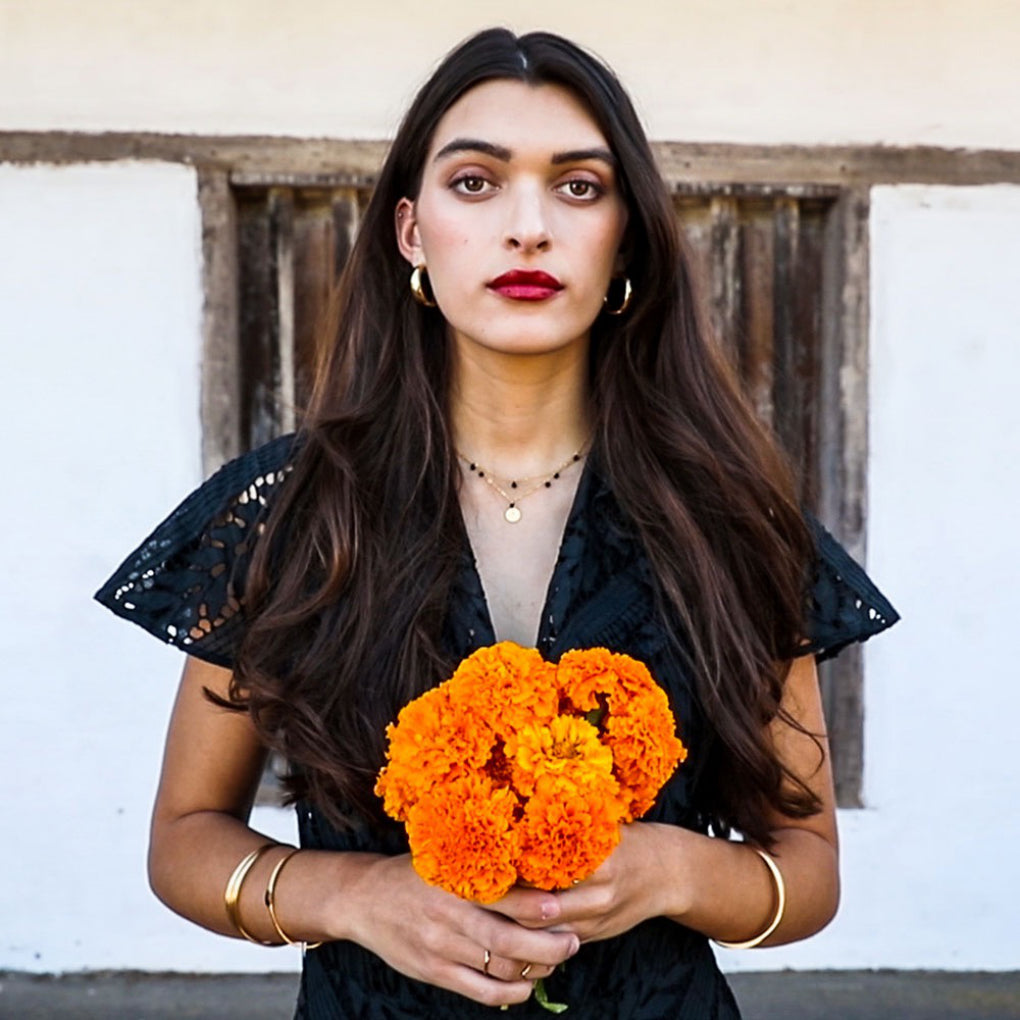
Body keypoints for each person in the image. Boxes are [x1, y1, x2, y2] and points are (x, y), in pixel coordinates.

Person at [96, 27, 898, 1019]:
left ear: (629, 237)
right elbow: (183, 836)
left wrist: (671, 871)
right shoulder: (288, 513)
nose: (529, 227)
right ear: (410, 232)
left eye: (578, 186)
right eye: (475, 183)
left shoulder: (733, 522)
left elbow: (809, 870)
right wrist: (352, 894)